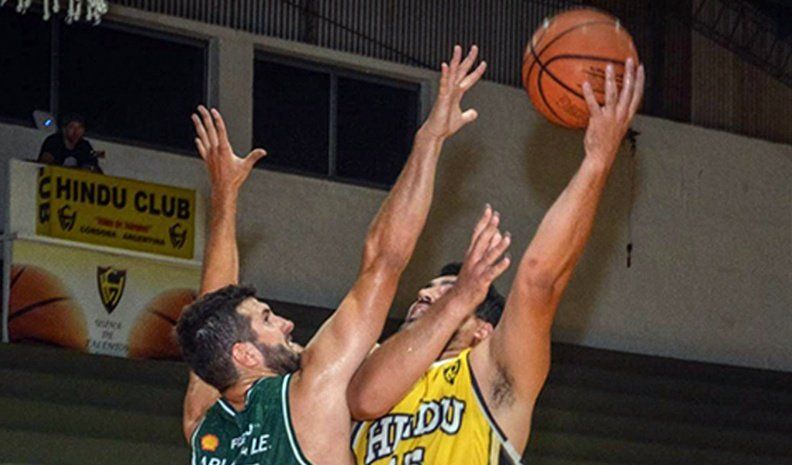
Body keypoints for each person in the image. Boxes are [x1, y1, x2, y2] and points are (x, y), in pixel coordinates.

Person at [177, 45, 507, 465]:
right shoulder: (309, 394)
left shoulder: (203, 425)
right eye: (268, 319)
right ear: (245, 354)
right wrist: (429, 140)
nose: (286, 323)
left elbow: (211, 320)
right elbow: (382, 262)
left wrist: (225, 198)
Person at [348, 58, 645, 465]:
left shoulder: (492, 375)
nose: (423, 295)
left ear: (482, 331)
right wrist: (428, 139)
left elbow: (539, 280)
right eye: (427, 291)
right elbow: (366, 397)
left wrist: (597, 162)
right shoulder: (368, 366)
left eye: (444, 292)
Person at [37, 114, 103, 172]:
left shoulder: (85, 146)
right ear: (64, 129)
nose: (76, 132)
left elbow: (94, 168)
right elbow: (45, 163)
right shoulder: (53, 141)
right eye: (72, 127)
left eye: (80, 128)